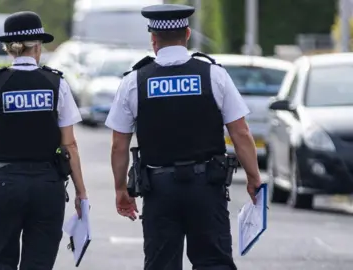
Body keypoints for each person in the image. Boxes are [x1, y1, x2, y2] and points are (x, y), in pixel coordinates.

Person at [105, 4, 262, 270]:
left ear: (153, 39)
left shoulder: (134, 81)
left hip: (159, 190)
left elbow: (119, 145)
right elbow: (241, 132)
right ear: (187, 34)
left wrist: (121, 188)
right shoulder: (214, 75)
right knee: (214, 262)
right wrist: (254, 177)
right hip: (206, 187)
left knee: (161, 264)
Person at [0, 11, 88, 270]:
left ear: (9, 49)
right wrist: (81, 192)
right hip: (48, 184)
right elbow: (70, 144)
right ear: (37, 47)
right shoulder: (56, 82)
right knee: (39, 263)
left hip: (4, 184)